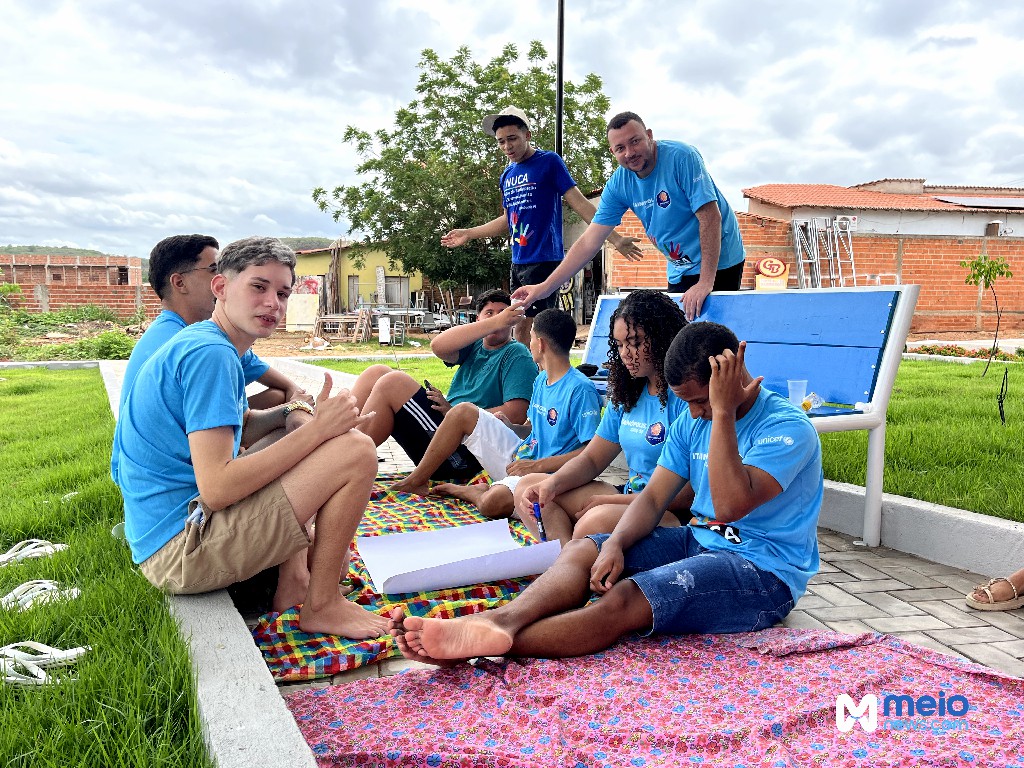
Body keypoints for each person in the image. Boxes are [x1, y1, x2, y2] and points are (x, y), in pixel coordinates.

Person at [389, 321, 823, 663]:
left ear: (730, 373)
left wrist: (724, 411)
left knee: (626, 598)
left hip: (763, 572)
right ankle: (499, 621)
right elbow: (653, 498)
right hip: (699, 541)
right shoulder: (694, 420)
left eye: (701, 401)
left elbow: (730, 505)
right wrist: (614, 543)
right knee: (584, 551)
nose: (695, 414)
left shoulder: (785, 428)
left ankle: (490, 642)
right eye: (688, 404)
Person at [112, 236, 388, 639]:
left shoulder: (212, 343)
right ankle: (323, 605)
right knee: (356, 451)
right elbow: (219, 487)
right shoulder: (211, 354)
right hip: (179, 550)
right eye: (258, 287)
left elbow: (240, 429)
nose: (272, 303)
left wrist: (294, 415)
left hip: (170, 531)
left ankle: (293, 582)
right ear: (220, 288)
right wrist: (319, 430)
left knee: (296, 435)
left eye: (282, 292)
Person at [512, 111, 746, 322]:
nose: (630, 152)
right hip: (680, 266)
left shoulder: (682, 157)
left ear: (649, 136)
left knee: (715, 337)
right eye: (620, 148)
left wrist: (706, 282)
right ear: (612, 151)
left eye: (635, 141)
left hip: (720, 260)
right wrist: (544, 288)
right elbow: (588, 242)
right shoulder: (618, 184)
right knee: (678, 340)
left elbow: (710, 217)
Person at [441, 106, 642, 349]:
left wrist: (616, 239)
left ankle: (534, 378)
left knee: (530, 328)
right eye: (501, 142)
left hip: (544, 259)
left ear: (527, 135)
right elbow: (507, 220)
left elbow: (579, 203)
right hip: (518, 260)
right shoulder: (507, 175)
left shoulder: (548, 162)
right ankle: (523, 376)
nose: (507, 147)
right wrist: (469, 233)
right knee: (517, 326)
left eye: (512, 139)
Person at [390, 308, 602, 520]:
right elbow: (535, 431)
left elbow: (590, 454)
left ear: (541, 344)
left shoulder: (580, 390)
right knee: (463, 411)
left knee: (491, 504)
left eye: (531, 338)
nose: (529, 344)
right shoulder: (541, 380)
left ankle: (476, 492)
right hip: (523, 458)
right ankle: (416, 480)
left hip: (550, 476)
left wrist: (537, 465)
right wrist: (510, 427)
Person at [513, 290, 689, 543]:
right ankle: (564, 562)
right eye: (620, 345)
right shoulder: (629, 392)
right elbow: (593, 459)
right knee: (527, 488)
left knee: (593, 522)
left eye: (635, 342)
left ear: (662, 337)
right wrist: (552, 485)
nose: (626, 353)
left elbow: (686, 495)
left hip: (668, 511)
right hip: (629, 496)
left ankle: (570, 566)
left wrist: (612, 500)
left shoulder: (686, 396)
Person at [351, 289, 538, 481]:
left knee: (392, 383)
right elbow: (438, 346)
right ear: (479, 320)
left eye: (503, 313)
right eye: (489, 313)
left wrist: (453, 412)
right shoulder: (474, 347)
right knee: (376, 372)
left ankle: (346, 461)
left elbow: (516, 414)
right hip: (445, 430)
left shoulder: (516, 354)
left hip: (463, 452)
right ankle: (336, 442)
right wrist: (495, 323)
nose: (497, 318)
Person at [117, 234, 308, 416]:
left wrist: (297, 401)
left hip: (196, 436)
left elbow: (274, 382)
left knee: (279, 398)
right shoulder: (188, 344)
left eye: (282, 294)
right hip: (182, 446)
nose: (273, 303)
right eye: (214, 269)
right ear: (180, 282)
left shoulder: (214, 335)